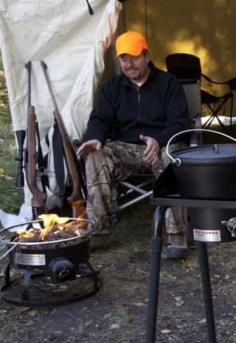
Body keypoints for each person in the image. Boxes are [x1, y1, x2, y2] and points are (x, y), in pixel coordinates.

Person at [76, 31, 192, 258]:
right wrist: (95, 137)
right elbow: (100, 118)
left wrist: (158, 140)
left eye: (135, 57)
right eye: (123, 59)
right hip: (125, 150)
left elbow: (181, 123)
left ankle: (176, 235)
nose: (129, 64)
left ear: (147, 56)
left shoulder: (168, 84)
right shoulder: (113, 88)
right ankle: (100, 231)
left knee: (173, 157)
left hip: (161, 147)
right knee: (96, 155)